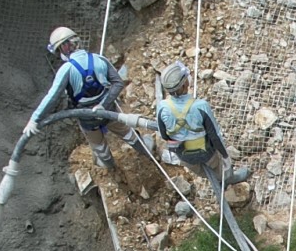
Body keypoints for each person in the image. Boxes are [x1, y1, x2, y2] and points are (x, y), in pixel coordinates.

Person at [23, 27, 151, 170]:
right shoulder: (99, 59)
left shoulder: (66, 69)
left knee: (100, 148)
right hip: (109, 110)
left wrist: (34, 119)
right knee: (129, 134)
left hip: (86, 117)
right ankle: (148, 153)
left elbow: (52, 97)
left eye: (59, 50)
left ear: (65, 48)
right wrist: (103, 105)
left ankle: (110, 166)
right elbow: (118, 83)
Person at [156, 60, 250, 189]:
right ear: (184, 85)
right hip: (206, 152)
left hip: (183, 155)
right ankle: (227, 179)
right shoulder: (201, 106)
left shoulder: (162, 107)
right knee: (219, 167)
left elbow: (164, 134)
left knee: (199, 169)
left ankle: (211, 177)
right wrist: (225, 156)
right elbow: (214, 136)